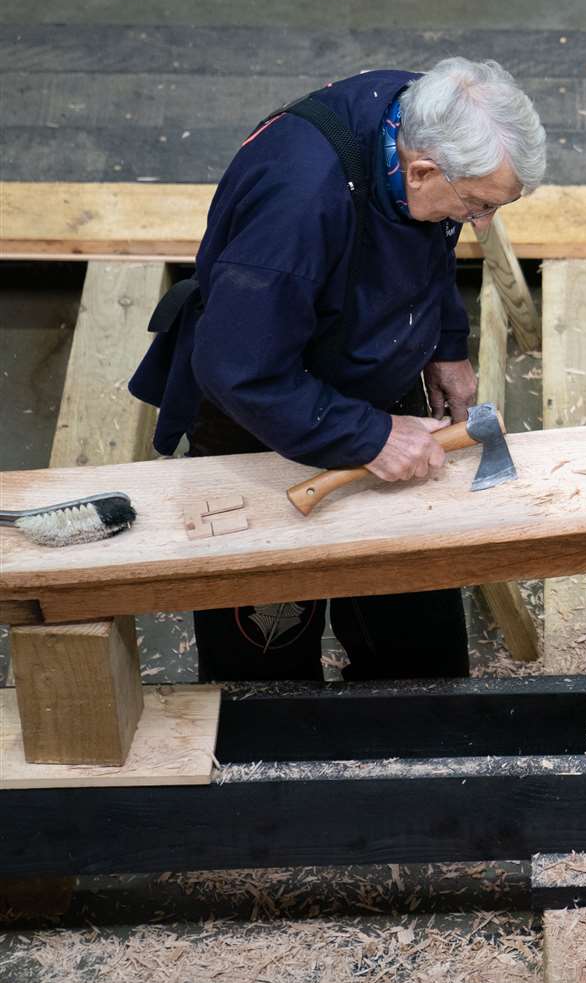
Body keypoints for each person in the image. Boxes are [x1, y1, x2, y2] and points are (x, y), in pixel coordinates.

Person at [130, 57, 547, 683]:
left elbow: (427, 242)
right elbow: (239, 369)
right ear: (424, 168)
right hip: (262, 416)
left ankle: (411, 720)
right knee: (264, 655)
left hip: (368, 380)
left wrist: (446, 343)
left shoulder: (412, 113)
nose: (481, 224)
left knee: (416, 640)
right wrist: (369, 436)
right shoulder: (295, 206)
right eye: (477, 205)